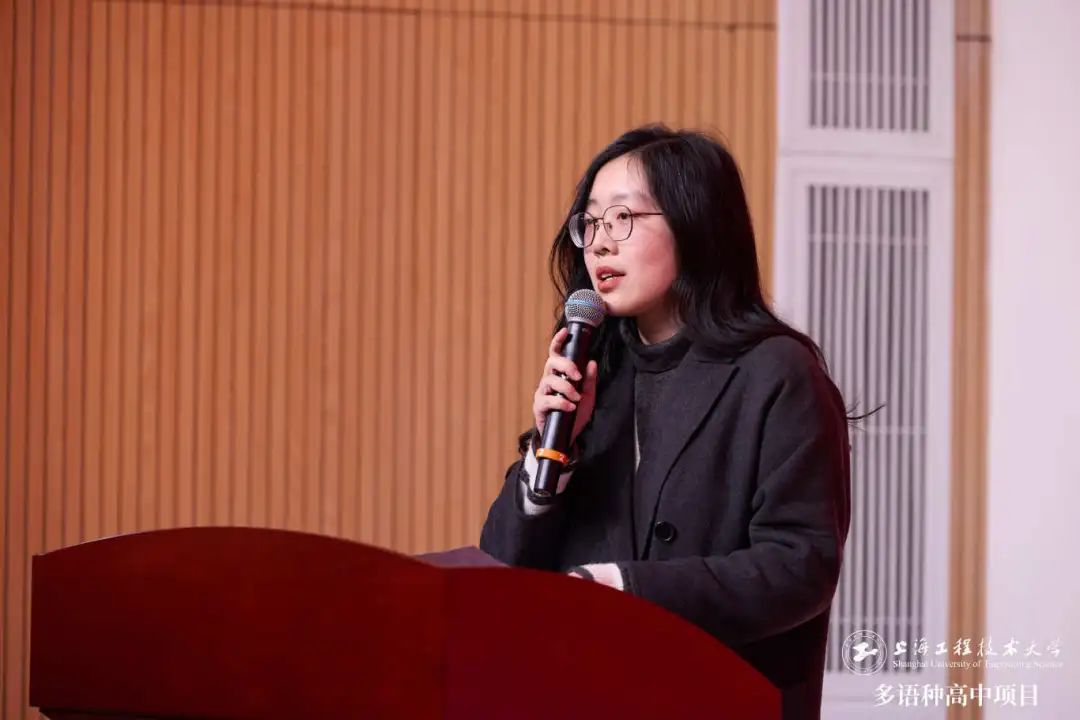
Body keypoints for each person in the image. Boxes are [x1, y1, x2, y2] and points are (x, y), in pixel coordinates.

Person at [479, 125, 851, 720]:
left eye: (623, 217)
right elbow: (503, 565)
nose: (600, 244)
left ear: (695, 224)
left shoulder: (777, 373)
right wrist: (551, 458)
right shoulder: (594, 371)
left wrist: (625, 590)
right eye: (590, 223)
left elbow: (798, 567)